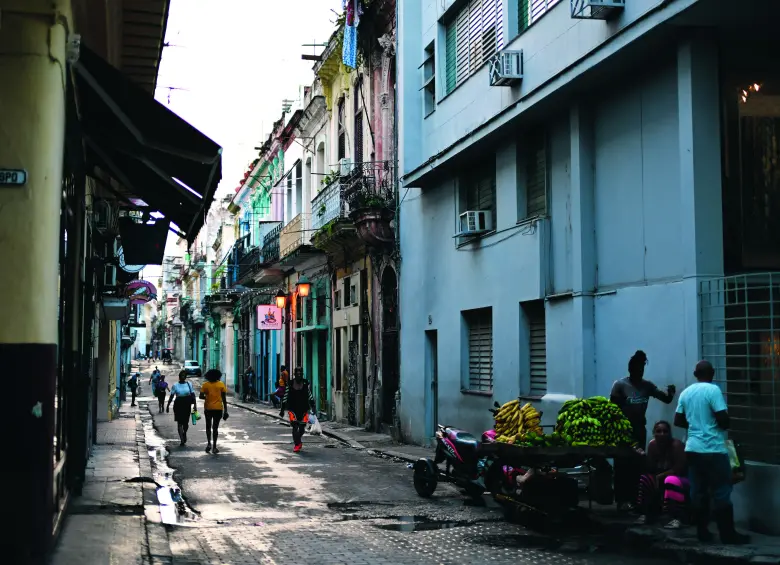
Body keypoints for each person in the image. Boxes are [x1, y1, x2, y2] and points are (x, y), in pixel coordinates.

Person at [674, 360, 749, 545]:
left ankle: (702, 532)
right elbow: (723, 419)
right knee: (722, 490)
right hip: (713, 448)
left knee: (698, 491)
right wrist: (714, 425)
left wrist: (696, 426)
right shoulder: (713, 390)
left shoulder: (686, 392)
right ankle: (728, 534)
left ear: (695, 374)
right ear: (712, 373)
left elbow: (678, 420)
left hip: (693, 449)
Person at [610, 350, 676, 511]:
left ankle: (635, 499)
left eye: (642, 369)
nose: (639, 372)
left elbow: (665, 399)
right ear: (630, 369)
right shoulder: (620, 385)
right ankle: (621, 500)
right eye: (636, 369)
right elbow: (611, 410)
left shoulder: (647, 386)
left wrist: (671, 393)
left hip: (639, 429)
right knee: (622, 464)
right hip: (623, 431)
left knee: (637, 464)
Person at [635, 421, 688, 528]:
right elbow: (650, 468)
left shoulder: (676, 445)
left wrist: (660, 476)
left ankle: (677, 518)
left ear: (670, 433)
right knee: (645, 478)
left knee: (671, 480)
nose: (662, 434)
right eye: (659, 431)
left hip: (679, 479)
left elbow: (679, 468)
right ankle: (646, 514)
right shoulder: (652, 445)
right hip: (660, 478)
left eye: (665, 431)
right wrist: (643, 457)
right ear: (654, 433)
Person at [279, 367, 315, 453]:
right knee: (295, 426)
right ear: (294, 374)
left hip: (304, 409)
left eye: (300, 372)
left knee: (302, 428)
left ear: (302, 374)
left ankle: (298, 440)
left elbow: (310, 395)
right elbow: (285, 397)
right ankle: (297, 444)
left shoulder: (305, 384)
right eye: (297, 372)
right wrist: (282, 410)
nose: (299, 374)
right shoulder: (290, 384)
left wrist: (313, 407)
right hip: (293, 409)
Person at [199, 369, 228, 454]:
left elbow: (200, 396)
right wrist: (225, 411)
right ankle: (214, 447)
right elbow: (224, 399)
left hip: (208, 408)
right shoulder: (221, 384)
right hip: (218, 408)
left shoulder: (205, 385)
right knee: (215, 428)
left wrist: (207, 397)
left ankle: (209, 444)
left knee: (208, 426)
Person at [167, 371, 196, 447]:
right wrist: (168, 405)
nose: (183, 377)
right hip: (178, 405)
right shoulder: (175, 385)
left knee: (186, 423)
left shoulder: (189, 384)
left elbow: (193, 395)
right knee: (179, 423)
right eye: (181, 375)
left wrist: (195, 405)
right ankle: (182, 440)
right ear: (179, 377)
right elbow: (172, 396)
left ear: (185, 377)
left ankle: (184, 433)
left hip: (187, 405)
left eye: (184, 375)